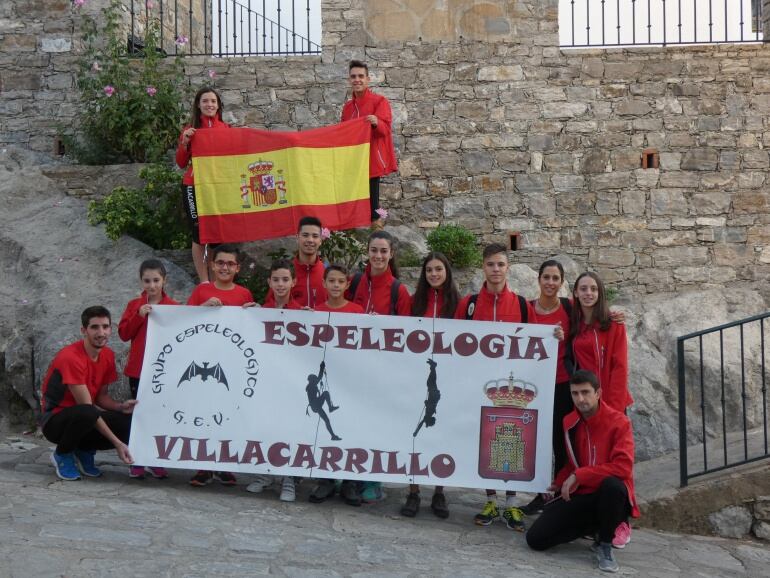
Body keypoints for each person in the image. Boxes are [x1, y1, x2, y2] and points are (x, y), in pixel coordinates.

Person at [454, 243, 536, 531]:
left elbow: (538, 344)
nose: (496, 269)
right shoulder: (469, 304)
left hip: (512, 390)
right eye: (491, 264)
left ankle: (511, 504)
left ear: (508, 268)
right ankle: (489, 500)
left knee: (513, 441)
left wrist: (556, 335)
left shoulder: (524, 306)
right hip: (478, 386)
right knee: (485, 443)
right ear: (483, 267)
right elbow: (457, 343)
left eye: (501, 264)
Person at [525, 370, 640, 574]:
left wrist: (580, 475)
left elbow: (622, 467)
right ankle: (597, 526)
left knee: (613, 486)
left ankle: (605, 545)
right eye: (575, 393)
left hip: (610, 496)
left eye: (586, 392)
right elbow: (573, 461)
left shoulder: (620, 422)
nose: (580, 399)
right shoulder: (569, 421)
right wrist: (559, 482)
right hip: (585, 496)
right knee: (536, 539)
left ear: (598, 393)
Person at [343, 230, 411, 504]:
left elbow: (406, 332)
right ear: (367, 253)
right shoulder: (356, 281)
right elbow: (341, 309)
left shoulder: (399, 290)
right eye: (374, 250)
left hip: (382, 369)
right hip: (351, 366)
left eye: (383, 251)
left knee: (375, 423)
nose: (378, 256)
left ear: (391, 254)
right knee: (349, 419)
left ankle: (372, 478)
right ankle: (344, 474)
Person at [570, 270, 632, 547]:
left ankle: (621, 521)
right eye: (583, 288)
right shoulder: (575, 325)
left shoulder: (613, 325)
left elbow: (619, 366)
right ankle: (596, 518)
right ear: (575, 293)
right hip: (585, 404)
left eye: (593, 288)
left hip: (609, 405)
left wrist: (613, 408)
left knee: (618, 466)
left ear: (600, 292)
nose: (588, 293)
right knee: (591, 462)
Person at [40, 306, 136, 481]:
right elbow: (87, 406)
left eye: (105, 327)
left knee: (130, 422)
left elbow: (101, 397)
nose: (101, 333)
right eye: (95, 327)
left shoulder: (107, 355)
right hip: (54, 422)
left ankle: (83, 450)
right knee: (88, 412)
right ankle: (62, 454)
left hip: (84, 417)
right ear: (83, 330)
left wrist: (120, 407)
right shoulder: (70, 357)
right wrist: (118, 444)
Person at [187, 244, 253, 487]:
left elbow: (250, 331)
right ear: (212, 265)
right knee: (205, 415)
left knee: (228, 416)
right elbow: (183, 323)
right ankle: (203, 466)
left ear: (238, 268)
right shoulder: (201, 292)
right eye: (221, 263)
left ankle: (223, 465)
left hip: (233, 366)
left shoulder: (244, 294)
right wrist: (202, 309)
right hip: (205, 364)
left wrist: (253, 312)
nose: (225, 267)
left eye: (230, 264)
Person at [400, 251, 460, 519]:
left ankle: (439, 491)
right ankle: (413, 491)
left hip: (447, 377)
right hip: (416, 374)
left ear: (447, 272)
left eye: (438, 269)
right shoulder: (414, 303)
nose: (434, 274)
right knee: (414, 431)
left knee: (441, 432)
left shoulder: (459, 304)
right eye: (429, 271)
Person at [307, 265, 364, 504]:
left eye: (341, 281)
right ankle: (326, 481)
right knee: (322, 431)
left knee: (350, 429)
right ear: (324, 283)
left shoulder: (358, 312)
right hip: (324, 382)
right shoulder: (316, 312)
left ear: (347, 284)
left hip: (350, 381)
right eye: (332, 281)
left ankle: (349, 483)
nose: (336, 285)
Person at [118, 259, 178, 479]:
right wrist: (139, 316)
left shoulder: (173, 307)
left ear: (164, 280)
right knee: (139, 415)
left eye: (156, 280)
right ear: (140, 281)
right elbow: (124, 334)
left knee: (160, 414)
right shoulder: (134, 305)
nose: (152, 285)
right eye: (147, 281)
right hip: (138, 371)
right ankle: (138, 458)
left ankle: (155, 459)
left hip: (163, 372)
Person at [176, 86, 230, 283]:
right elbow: (181, 163)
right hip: (194, 186)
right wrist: (185, 143)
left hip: (217, 187)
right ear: (198, 105)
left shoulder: (226, 129)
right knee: (199, 234)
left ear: (218, 106)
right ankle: (204, 281)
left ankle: (216, 280)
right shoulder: (190, 130)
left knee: (216, 235)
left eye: (213, 101)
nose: (209, 104)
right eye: (205, 101)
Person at [341, 60, 398, 228]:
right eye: (353, 77)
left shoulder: (379, 101)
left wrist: (376, 122)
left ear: (368, 79)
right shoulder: (347, 108)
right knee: (352, 199)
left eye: (360, 76)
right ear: (349, 80)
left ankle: (376, 233)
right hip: (353, 162)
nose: (357, 80)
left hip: (371, 159)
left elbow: (385, 130)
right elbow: (343, 134)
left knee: (373, 202)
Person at [264, 216, 327, 308]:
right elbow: (270, 304)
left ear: (320, 240)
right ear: (297, 237)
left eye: (315, 236)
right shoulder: (285, 272)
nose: (310, 240)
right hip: (291, 322)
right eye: (305, 235)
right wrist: (255, 309)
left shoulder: (328, 273)